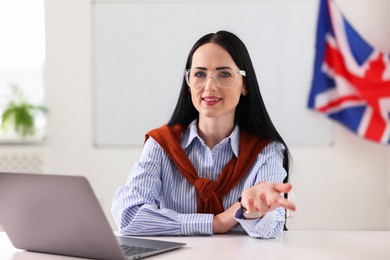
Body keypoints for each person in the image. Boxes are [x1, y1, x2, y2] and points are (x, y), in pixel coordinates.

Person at [112, 30, 296, 239]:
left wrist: (251, 211)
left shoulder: (266, 151)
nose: (209, 87)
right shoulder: (161, 144)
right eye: (199, 74)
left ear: (245, 84)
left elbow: (273, 227)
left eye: (224, 74)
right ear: (188, 83)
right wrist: (215, 223)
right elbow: (129, 217)